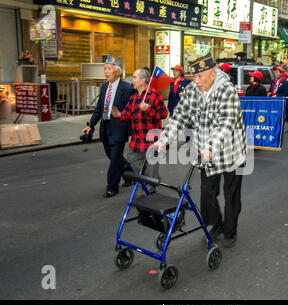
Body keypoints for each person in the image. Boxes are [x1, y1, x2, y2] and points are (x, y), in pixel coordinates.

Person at [153, 53, 247, 248]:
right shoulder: (191, 90)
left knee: (231, 194)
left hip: (231, 150)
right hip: (205, 151)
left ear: (212, 74)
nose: (195, 81)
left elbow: (226, 123)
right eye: (193, 77)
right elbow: (179, 117)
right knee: (207, 193)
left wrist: (211, 147)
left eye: (199, 77)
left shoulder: (227, 90)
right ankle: (216, 224)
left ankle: (230, 229)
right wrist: (163, 140)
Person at [81, 55, 135, 198]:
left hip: (119, 127)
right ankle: (130, 174)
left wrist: (131, 133)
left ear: (118, 71)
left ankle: (112, 187)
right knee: (112, 156)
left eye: (109, 69)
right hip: (105, 127)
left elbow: (131, 113)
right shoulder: (105, 87)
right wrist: (91, 125)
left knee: (115, 159)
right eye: (105, 68)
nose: (106, 71)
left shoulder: (127, 88)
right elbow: (99, 109)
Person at [111, 68, 168, 193]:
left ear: (143, 80)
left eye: (135, 77)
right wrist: (119, 115)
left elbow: (164, 114)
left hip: (152, 140)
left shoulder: (154, 95)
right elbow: (127, 114)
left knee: (151, 170)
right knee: (131, 158)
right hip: (137, 140)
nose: (133, 80)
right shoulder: (133, 98)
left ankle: (152, 193)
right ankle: (151, 179)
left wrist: (148, 109)